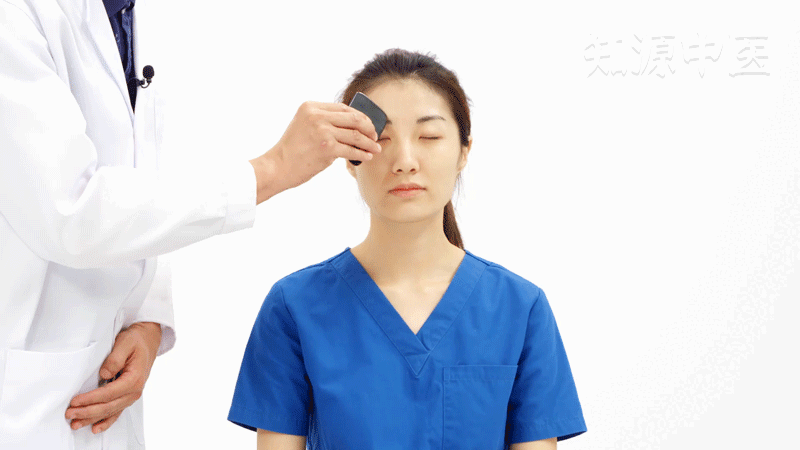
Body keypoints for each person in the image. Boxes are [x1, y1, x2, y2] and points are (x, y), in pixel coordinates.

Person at [0, 0, 381, 448]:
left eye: (430, 136)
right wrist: (270, 170)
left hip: (101, 387)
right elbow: (71, 211)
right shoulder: (298, 307)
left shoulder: (129, 15)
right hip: (26, 398)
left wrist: (147, 318)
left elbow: (141, 176)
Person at [228, 49, 587, 449]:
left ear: (464, 151)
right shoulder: (295, 307)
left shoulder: (520, 308)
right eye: (380, 139)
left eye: (429, 137)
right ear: (349, 158)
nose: (405, 161)